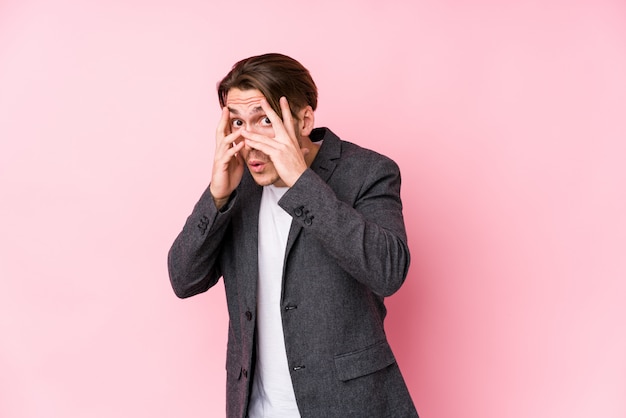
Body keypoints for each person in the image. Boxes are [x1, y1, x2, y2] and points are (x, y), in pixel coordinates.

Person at [168, 53, 419, 418]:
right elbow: (183, 279)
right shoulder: (238, 184)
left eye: (264, 120)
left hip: (350, 406)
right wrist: (217, 196)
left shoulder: (369, 171)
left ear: (304, 119)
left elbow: (388, 272)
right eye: (237, 121)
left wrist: (302, 184)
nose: (248, 140)